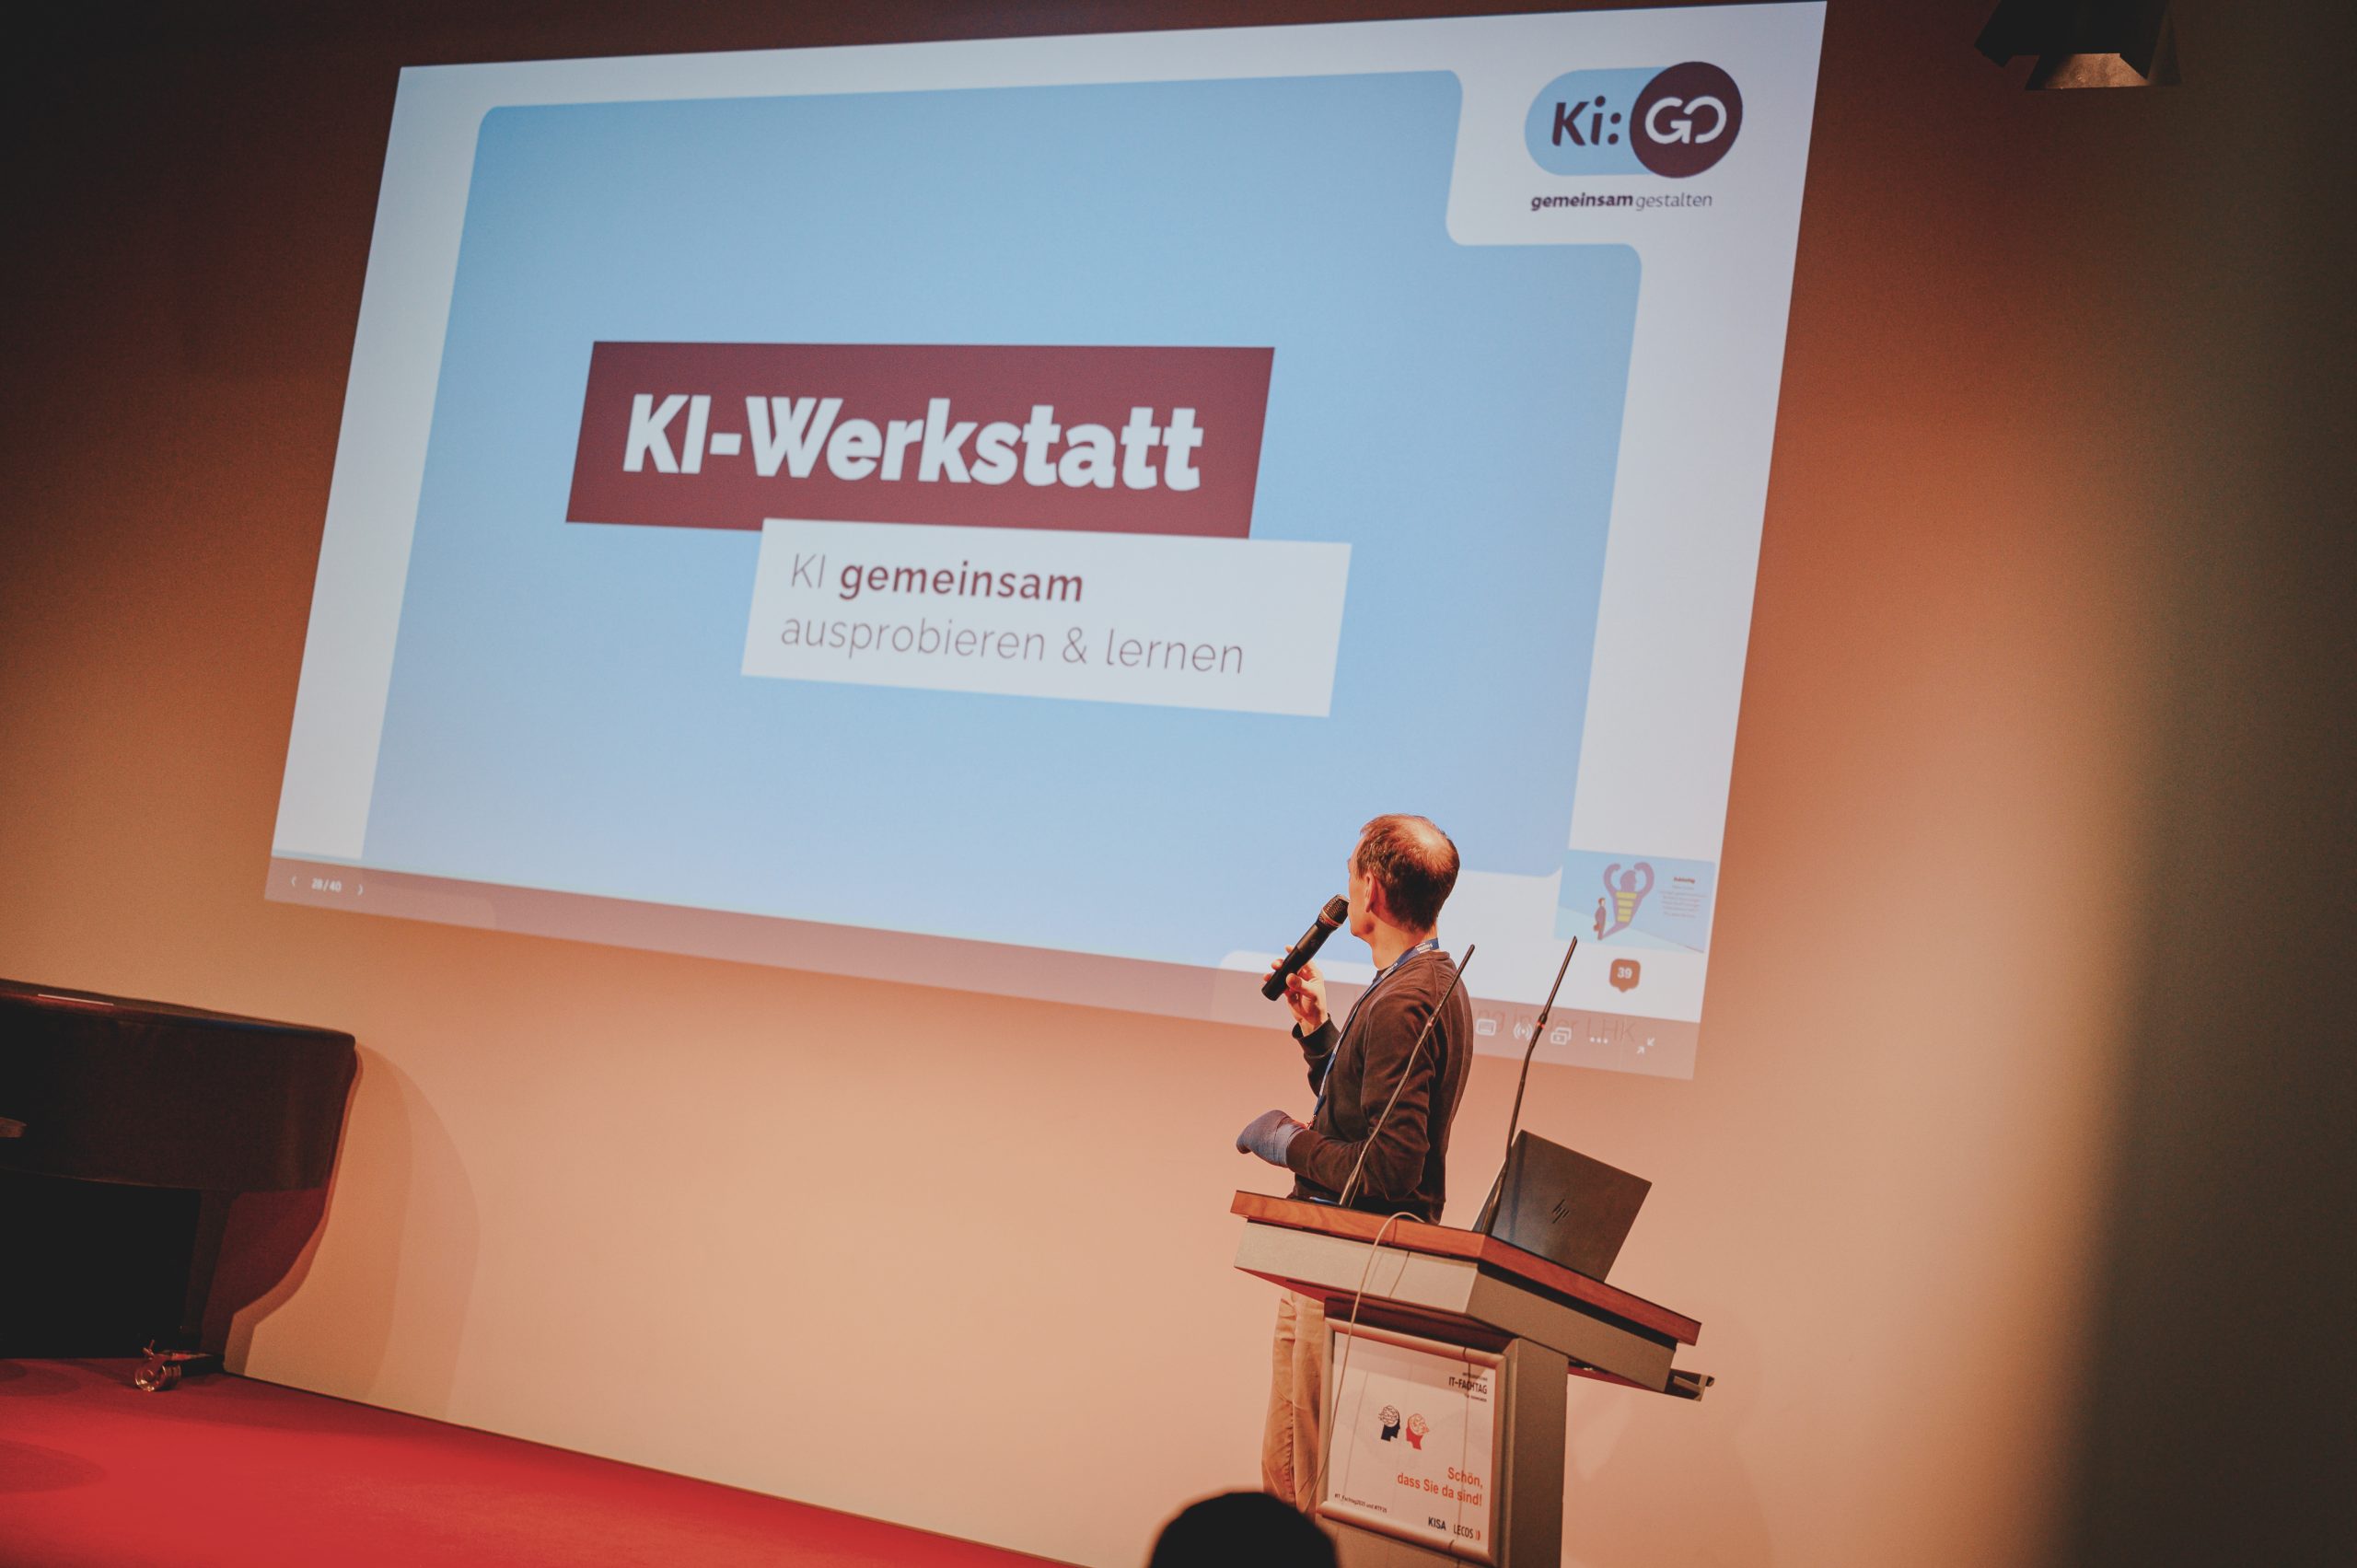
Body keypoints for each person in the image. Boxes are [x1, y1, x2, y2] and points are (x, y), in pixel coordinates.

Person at [1234, 813, 1474, 1513]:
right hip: (1328, 1256)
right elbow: (1364, 1117)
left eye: (1350, 873)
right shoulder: (1416, 982)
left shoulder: (1407, 998)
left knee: (1309, 1479)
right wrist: (1318, 1032)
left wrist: (1286, 1141)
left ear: (1372, 889)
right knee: (1286, 1466)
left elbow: (1387, 1168)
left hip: (1350, 1262)